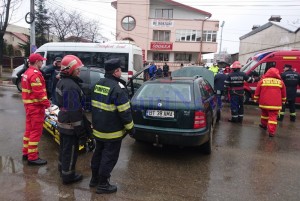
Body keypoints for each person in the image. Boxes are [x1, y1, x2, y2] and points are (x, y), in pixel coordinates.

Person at [90, 58, 135, 194]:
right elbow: (125, 113)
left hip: (98, 130)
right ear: (116, 71)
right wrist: (131, 129)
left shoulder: (98, 84)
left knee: (98, 154)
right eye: (120, 69)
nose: (121, 72)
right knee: (109, 158)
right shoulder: (117, 89)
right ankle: (103, 184)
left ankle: (94, 179)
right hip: (112, 132)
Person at [56, 55, 86, 184]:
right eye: (77, 69)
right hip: (70, 126)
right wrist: (81, 132)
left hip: (63, 122)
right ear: (70, 70)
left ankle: (62, 168)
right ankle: (68, 176)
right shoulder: (71, 86)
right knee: (71, 151)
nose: (79, 71)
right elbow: (74, 113)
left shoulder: (62, 81)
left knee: (64, 149)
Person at [21, 53, 50, 165]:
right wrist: (48, 105)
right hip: (36, 108)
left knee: (29, 131)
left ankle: (26, 153)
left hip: (29, 107)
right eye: (41, 61)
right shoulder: (35, 75)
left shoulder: (26, 73)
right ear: (37, 61)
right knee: (35, 132)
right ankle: (32, 157)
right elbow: (39, 94)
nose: (42, 62)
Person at [254, 68, 286, 137]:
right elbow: (283, 93)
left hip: (264, 103)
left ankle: (264, 125)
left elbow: (257, 90)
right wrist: (283, 100)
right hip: (275, 104)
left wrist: (256, 99)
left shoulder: (263, 81)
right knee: (273, 117)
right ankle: (271, 132)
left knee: (264, 114)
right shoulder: (280, 82)